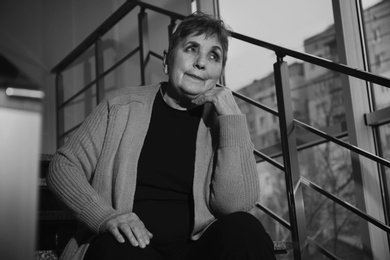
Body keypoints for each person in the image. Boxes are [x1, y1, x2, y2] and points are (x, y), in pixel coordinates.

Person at [48, 11, 276, 260]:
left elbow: (235, 207)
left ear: (218, 73)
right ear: (167, 61)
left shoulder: (220, 123)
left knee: (245, 229)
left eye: (213, 55)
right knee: (117, 250)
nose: (201, 62)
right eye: (191, 49)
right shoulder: (121, 107)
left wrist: (232, 118)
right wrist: (106, 217)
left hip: (192, 251)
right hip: (129, 248)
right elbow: (63, 166)